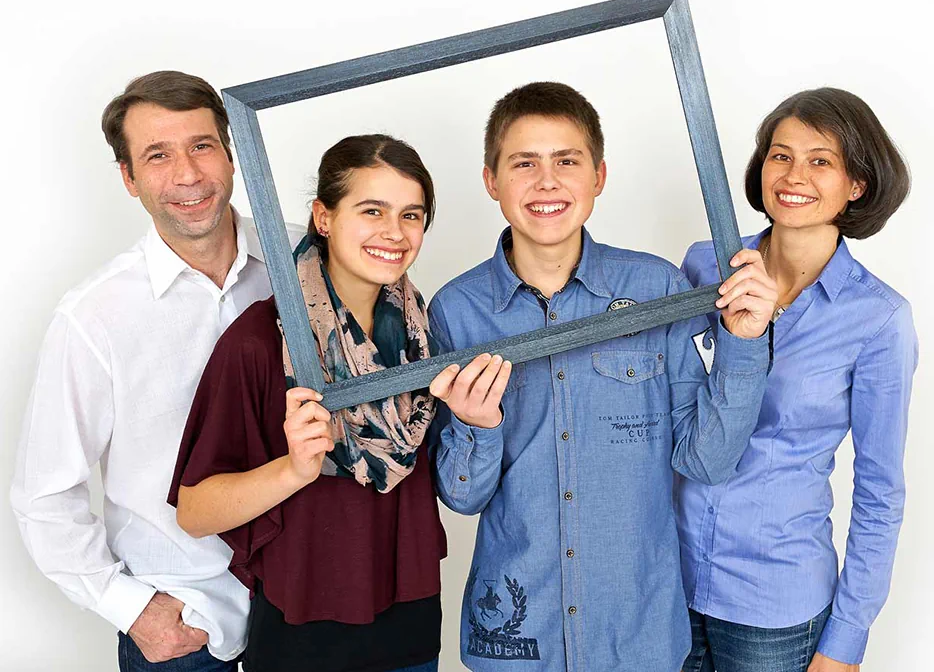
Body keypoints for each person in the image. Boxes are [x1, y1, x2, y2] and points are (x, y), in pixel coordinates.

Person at [426, 81, 778, 671]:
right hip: (515, 644)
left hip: (638, 638)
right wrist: (475, 424)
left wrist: (743, 345)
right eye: (524, 163)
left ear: (599, 176)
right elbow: (462, 495)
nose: (547, 182)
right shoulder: (456, 310)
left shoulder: (656, 289)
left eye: (567, 161)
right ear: (491, 180)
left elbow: (706, 459)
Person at [10, 70, 304, 670]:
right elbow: (44, 495)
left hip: (311, 605)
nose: (188, 175)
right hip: (188, 625)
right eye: (158, 155)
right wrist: (132, 609)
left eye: (201, 146)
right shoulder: (94, 317)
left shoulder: (303, 262)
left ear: (230, 152)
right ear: (129, 178)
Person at [169, 134, 447, 672]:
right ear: (323, 217)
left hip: (411, 628)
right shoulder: (259, 342)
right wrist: (294, 470)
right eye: (373, 211)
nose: (395, 232)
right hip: (304, 635)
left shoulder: (425, 334)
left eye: (411, 215)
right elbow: (195, 512)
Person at [677, 88, 917, 672]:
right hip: (668, 580)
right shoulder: (704, 266)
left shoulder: (879, 318)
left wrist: (845, 642)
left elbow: (880, 493)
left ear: (856, 184)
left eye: (821, 160)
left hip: (775, 606)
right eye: (780, 155)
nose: (793, 175)